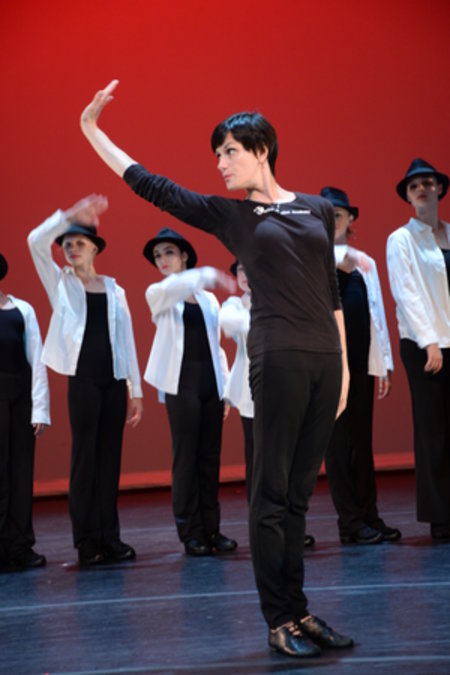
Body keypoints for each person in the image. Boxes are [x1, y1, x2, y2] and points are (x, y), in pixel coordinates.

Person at [80, 80, 353, 658]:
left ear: (261, 149)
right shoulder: (232, 216)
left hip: (325, 361)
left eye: (229, 151)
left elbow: (331, 291)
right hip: (277, 357)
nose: (221, 163)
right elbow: (153, 185)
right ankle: (279, 619)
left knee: (300, 496)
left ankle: (300, 610)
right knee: (270, 493)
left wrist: (346, 366)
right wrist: (92, 132)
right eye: (217, 155)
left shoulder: (316, 208)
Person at [28, 195, 143, 567]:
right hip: (83, 381)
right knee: (85, 460)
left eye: (79, 242)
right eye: (67, 243)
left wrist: (135, 390)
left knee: (110, 460)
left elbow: (126, 340)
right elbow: (34, 241)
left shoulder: (115, 289)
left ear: (94, 248)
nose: (71, 248)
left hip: (113, 382)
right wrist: (68, 216)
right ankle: (87, 542)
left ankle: (110, 538)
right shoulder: (60, 283)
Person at [143, 227, 237, 556]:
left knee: (210, 458)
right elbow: (172, 288)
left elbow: (217, 345)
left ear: (184, 255)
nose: (162, 259)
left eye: (169, 252)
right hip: (181, 383)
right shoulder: (159, 293)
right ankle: (190, 532)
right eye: (158, 256)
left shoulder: (208, 299)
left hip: (209, 382)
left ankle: (212, 529)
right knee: (186, 458)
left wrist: (226, 388)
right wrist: (206, 273)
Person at [320, 187, 400, 545]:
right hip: (330, 368)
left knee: (362, 444)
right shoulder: (314, 258)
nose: (331, 221)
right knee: (338, 447)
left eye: (337, 214)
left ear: (350, 218)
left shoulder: (364, 262)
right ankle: (350, 522)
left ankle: (369, 515)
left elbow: (377, 315)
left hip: (362, 364)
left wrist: (384, 364)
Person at [219, 260, 314, 547]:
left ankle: (289, 526)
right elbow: (230, 324)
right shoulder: (234, 305)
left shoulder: (282, 300)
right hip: (251, 393)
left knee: (286, 461)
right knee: (258, 463)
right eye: (241, 270)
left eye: (251, 268)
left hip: (284, 388)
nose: (245, 275)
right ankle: (263, 528)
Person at [386, 158, 450, 542]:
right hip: (425, 345)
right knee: (434, 431)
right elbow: (406, 293)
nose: (422, 189)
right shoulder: (402, 239)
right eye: (414, 186)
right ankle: (441, 518)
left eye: (427, 182)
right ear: (408, 197)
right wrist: (430, 342)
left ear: (440, 189)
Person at [0, 253, 50, 571]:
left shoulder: (22, 309)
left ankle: (19, 545)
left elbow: (37, 358)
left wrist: (40, 409)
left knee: (20, 472)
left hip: (20, 400)